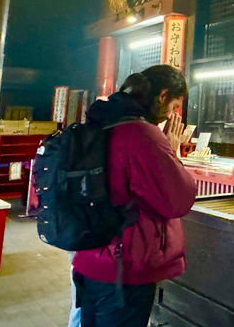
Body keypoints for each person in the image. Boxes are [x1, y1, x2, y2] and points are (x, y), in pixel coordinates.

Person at [72, 65, 197, 327]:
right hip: (124, 266)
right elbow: (178, 199)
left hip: (90, 255)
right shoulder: (143, 134)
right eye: (174, 106)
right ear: (162, 95)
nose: (172, 114)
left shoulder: (102, 123)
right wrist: (171, 152)